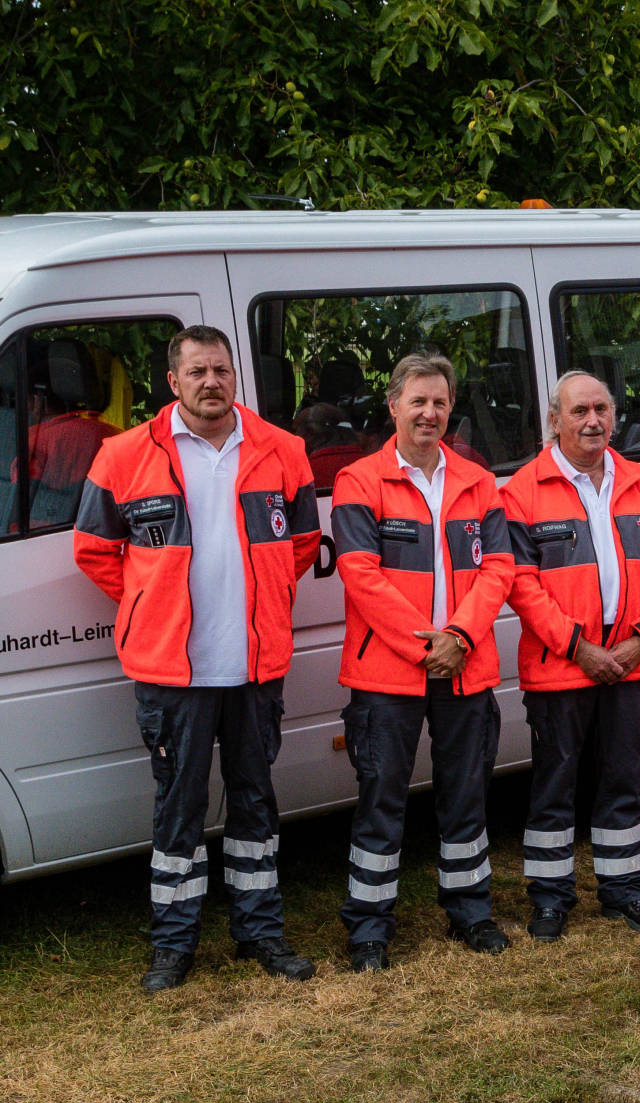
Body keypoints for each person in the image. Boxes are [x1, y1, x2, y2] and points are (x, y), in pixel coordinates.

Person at [74, 324, 320, 992]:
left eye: (222, 371)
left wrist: (264, 598)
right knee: (176, 810)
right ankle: (174, 945)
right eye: (199, 372)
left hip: (253, 668)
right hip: (170, 673)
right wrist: (152, 600)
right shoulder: (123, 455)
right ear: (172, 381)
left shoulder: (282, 450)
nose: (212, 382)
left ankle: (260, 933)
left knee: (255, 807)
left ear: (233, 377)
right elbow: (94, 549)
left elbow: (301, 544)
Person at [331, 352, 516, 972]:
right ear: (393, 406)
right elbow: (360, 576)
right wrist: (425, 645)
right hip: (388, 671)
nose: (429, 413)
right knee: (381, 797)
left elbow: (498, 569)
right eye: (418, 401)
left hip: (465, 662)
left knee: (466, 794)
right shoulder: (359, 482)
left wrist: (459, 635)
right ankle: (368, 929)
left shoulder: (479, 482)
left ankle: (470, 910)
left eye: (439, 402)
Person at [501, 371, 640, 943]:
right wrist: (580, 649)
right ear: (554, 420)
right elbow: (521, 585)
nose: (593, 421)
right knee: (556, 783)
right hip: (564, 665)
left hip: (632, 662)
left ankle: (625, 890)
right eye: (579, 410)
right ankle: (551, 900)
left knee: (625, 779)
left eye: (601, 409)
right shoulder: (522, 491)